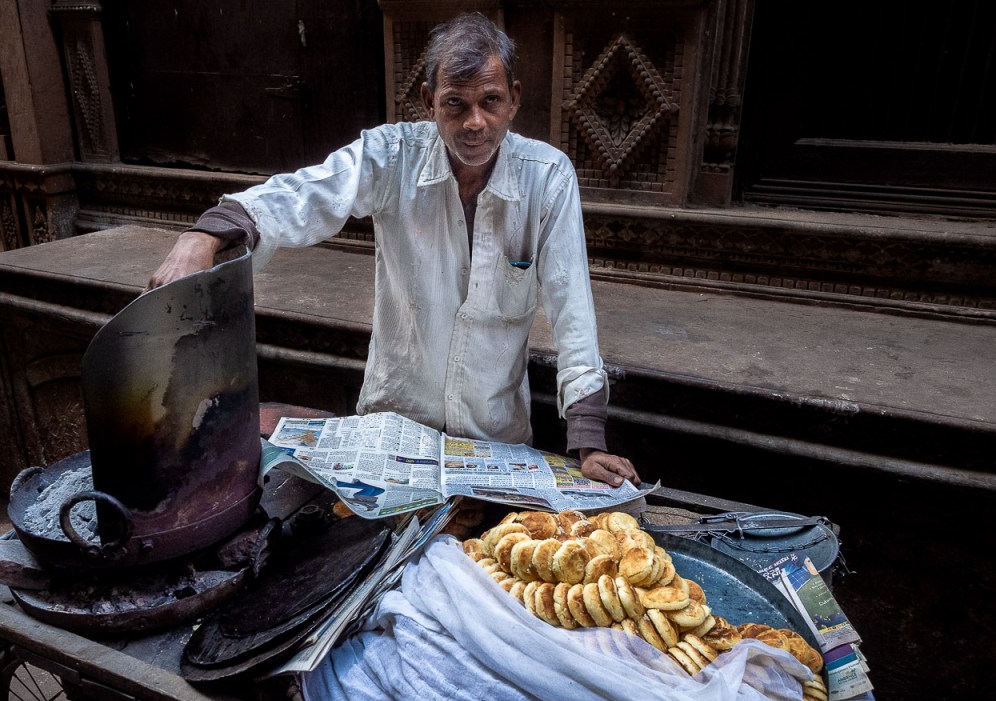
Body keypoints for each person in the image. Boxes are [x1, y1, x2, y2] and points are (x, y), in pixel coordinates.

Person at [148, 12, 640, 488]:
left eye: (490, 101)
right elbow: (303, 195)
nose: (475, 122)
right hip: (396, 431)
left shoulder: (547, 177)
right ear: (428, 102)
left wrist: (589, 440)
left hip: (494, 437)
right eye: (455, 104)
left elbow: (572, 306)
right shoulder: (390, 157)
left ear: (513, 100)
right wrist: (205, 235)